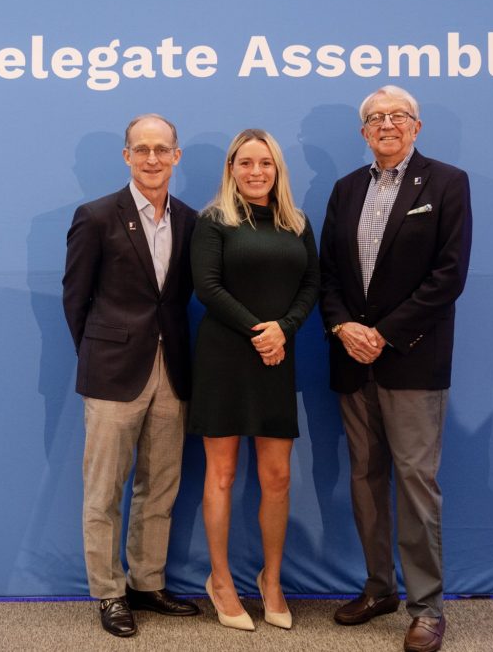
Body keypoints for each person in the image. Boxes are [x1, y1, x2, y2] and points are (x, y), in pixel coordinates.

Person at [318, 86, 472, 652]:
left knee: (414, 484)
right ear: (363, 133)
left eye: (397, 116)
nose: (386, 124)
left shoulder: (447, 184)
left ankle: (427, 608)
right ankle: (379, 588)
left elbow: (448, 276)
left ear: (416, 126)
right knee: (364, 479)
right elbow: (327, 274)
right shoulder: (345, 189)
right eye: (375, 118)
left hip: (411, 358)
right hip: (352, 361)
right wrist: (342, 327)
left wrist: (383, 334)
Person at [62, 113, 200, 637]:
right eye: (141, 149)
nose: (152, 159)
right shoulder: (96, 216)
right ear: (126, 156)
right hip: (113, 373)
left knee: (159, 487)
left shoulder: (189, 220)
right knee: (103, 491)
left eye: (161, 149)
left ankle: (147, 582)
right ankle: (109, 592)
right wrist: (99, 354)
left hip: (173, 372)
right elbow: (75, 299)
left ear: (176, 156)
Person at [188, 129, 319, 632]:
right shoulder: (213, 221)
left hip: (276, 356)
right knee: (220, 474)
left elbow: (312, 283)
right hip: (225, 356)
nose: (256, 171)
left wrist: (282, 331)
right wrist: (257, 331)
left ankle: (272, 580)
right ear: (231, 169)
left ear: (278, 169)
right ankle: (220, 581)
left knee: (277, 477)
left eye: (265, 163)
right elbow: (207, 287)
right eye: (246, 163)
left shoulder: (297, 222)